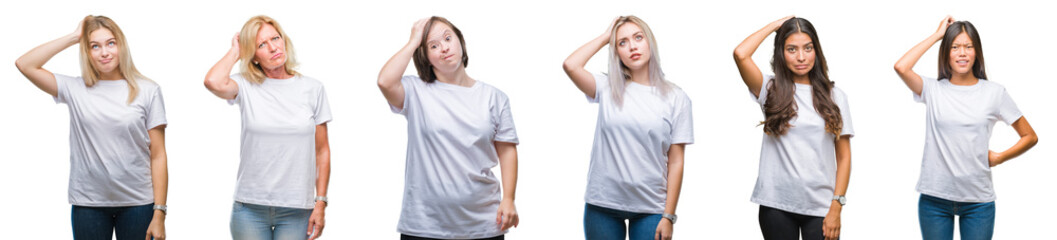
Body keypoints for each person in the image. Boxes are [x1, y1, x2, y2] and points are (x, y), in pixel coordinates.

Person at [15, 15, 168, 240]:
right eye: (94, 46)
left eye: (110, 43)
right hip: (89, 204)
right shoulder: (74, 88)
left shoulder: (148, 90)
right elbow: (25, 64)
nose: (104, 52)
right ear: (86, 52)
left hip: (138, 203)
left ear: (121, 46)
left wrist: (159, 213)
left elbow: (158, 155)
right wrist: (74, 37)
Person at [893, 16, 1039, 240]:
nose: (962, 53)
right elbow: (901, 67)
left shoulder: (994, 93)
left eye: (968, 47)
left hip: (978, 202)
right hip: (934, 200)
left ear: (977, 52)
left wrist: (1000, 157)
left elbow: (1029, 136)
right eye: (955, 47)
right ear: (946, 54)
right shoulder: (933, 90)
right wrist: (937, 35)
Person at [377, 16, 520, 240]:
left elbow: (507, 150)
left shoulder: (494, 97)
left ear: (460, 41)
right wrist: (414, 41)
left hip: (483, 224)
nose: (444, 48)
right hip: (424, 224)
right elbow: (385, 81)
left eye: (447, 38)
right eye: (433, 46)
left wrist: (509, 199)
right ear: (426, 57)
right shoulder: (415, 91)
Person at [562, 15, 692, 240]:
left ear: (650, 42)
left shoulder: (676, 98)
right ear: (616, 51)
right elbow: (571, 65)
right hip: (602, 204)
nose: (632, 46)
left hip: (651, 207)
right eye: (622, 42)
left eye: (638, 38)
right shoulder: (606, 87)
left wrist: (669, 216)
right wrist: (605, 37)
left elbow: (676, 161)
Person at [204, 15, 332, 240]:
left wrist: (320, 203)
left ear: (284, 40)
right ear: (252, 56)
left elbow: (322, 151)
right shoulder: (244, 85)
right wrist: (236, 51)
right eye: (261, 45)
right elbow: (213, 82)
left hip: (297, 209)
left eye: (275, 38)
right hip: (250, 208)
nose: (273, 47)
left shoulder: (313, 89)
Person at [733, 16, 852, 240]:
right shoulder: (770, 89)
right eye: (791, 49)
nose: (801, 57)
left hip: (821, 206)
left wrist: (837, 205)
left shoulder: (835, 96)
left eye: (808, 48)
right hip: (776, 204)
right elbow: (741, 54)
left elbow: (844, 157)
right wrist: (774, 26)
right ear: (781, 52)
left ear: (816, 50)